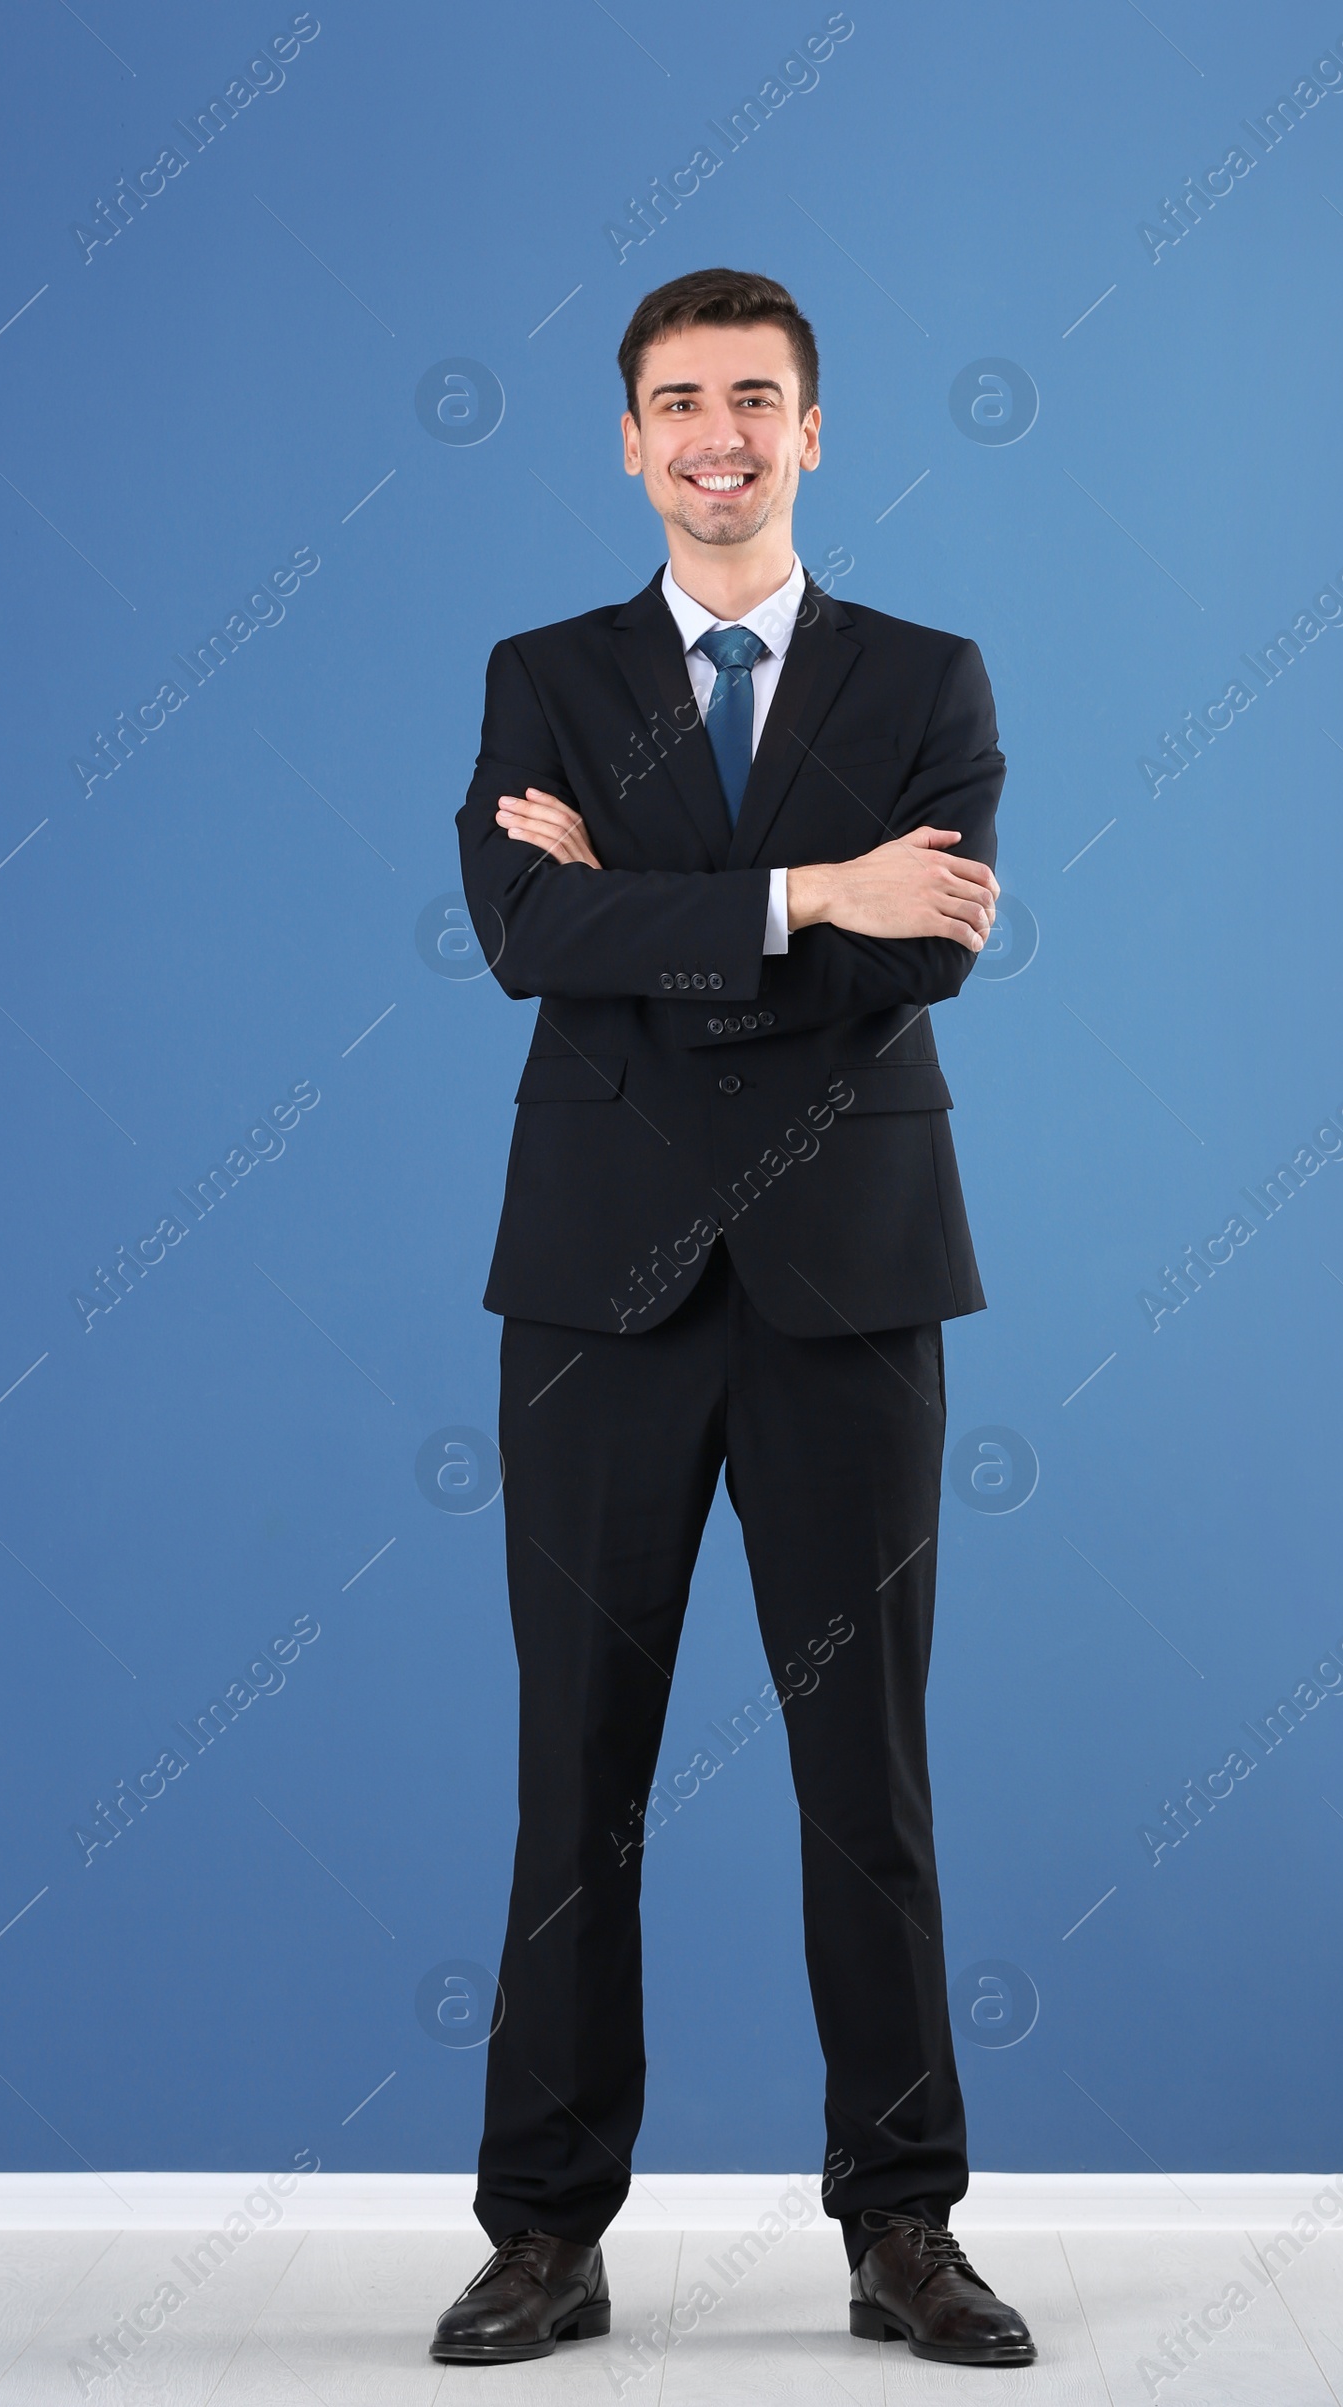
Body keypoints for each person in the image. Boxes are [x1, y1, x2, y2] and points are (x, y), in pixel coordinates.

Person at [430, 267, 1035, 2371]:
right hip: (595, 1288)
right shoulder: (541, 672)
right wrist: (799, 893)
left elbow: (925, 951)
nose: (715, 433)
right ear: (625, 436)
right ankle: (540, 2232)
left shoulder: (925, 676)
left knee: (863, 1774)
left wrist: (647, 910)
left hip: (847, 1283)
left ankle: (901, 2228)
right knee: (567, 1770)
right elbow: (522, 931)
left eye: (752, 400)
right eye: (676, 400)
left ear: (810, 429)